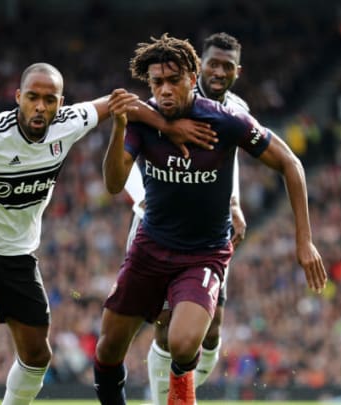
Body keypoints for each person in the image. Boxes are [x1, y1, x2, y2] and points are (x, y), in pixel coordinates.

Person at [0, 62, 216, 405]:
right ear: (18, 97)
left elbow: (118, 101)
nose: (40, 106)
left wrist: (166, 128)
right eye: (33, 97)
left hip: (18, 255)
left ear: (60, 104)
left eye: (50, 100)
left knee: (37, 357)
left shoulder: (70, 123)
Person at [93, 34, 327, 405]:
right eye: (157, 83)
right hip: (150, 248)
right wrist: (120, 127)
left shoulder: (226, 119)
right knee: (107, 351)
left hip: (203, 253)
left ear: (192, 77)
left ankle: (177, 396)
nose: (165, 90)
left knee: (184, 342)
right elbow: (112, 183)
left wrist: (304, 241)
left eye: (174, 81)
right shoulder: (140, 121)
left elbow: (290, 163)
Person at [142, 32, 249, 405]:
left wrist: (234, 203)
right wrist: (144, 202)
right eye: (212, 63)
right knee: (164, 326)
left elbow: (226, 162)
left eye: (227, 65)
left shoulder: (237, 108)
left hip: (210, 230)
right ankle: (163, 400)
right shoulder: (169, 99)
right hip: (161, 225)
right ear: (198, 66)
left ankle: (183, 390)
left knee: (210, 330)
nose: (218, 71)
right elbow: (135, 147)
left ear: (237, 70)